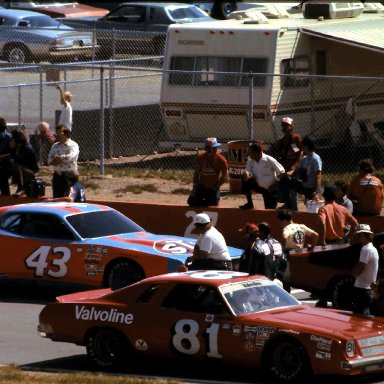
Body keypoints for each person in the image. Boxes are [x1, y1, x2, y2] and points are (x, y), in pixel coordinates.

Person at [239, 142, 285, 209]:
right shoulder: (250, 161)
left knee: (269, 211)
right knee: (244, 178)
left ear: (256, 152)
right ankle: (249, 203)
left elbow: (282, 171)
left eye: (250, 152)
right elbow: (248, 170)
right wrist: (247, 173)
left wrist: (276, 184)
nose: (248, 154)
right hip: (259, 187)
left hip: (271, 189)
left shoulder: (269, 160)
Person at [188, 137, 228, 207]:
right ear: (207, 149)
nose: (216, 149)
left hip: (213, 188)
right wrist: (195, 188)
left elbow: (225, 175)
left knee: (213, 204)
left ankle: (207, 203)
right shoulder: (201, 158)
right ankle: (205, 204)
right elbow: (196, 173)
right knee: (191, 201)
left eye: (216, 147)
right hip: (202, 186)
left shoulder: (221, 160)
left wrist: (217, 186)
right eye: (213, 147)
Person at [274, 117, 303, 210]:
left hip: (293, 169)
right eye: (283, 125)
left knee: (292, 190)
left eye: (287, 125)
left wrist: (295, 166)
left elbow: (299, 153)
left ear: (291, 126)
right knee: (282, 190)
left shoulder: (295, 139)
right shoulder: (281, 141)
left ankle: (294, 210)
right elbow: (280, 156)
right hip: (284, 170)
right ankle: (288, 205)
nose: (285, 127)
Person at [288, 135, 322, 211]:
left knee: (312, 209)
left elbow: (318, 175)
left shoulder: (315, 159)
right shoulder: (304, 158)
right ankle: (293, 208)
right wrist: (285, 174)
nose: (301, 146)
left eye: (302, 145)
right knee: (289, 182)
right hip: (304, 185)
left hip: (311, 188)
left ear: (306, 146)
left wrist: (315, 191)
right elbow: (295, 170)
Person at [352, 224, 379, 316]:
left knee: (359, 318)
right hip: (368, 289)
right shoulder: (373, 249)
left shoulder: (366, 249)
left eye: (360, 235)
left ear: (364, 235)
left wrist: (354, 272)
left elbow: (360, 266)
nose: (358, 237)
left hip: (362, 288)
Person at [47, 125, 79, 198]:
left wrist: (58, 158)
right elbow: (49, 160)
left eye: (60, 133)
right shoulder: (55, 146)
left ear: (66, 133)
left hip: (70, 174)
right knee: (57, 198)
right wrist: (61, 158)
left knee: (70, 197)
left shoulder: (73, 145)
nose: (57, 135)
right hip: (58, 175)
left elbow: (70, 158)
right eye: (57, 132)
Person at [10, 129, 39, 197]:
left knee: (16, 166)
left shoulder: (26, 147)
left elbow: (20, 160)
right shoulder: (20, 146)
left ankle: (22, 188)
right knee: (13, 164)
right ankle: (20, 187)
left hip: (30, 169)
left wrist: (12, 149)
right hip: (23, 167)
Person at [0, 117, 12, 196]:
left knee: (4, 184)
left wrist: (2, 157)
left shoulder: (8, 137)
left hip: (5, 165)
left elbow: (13, 153)